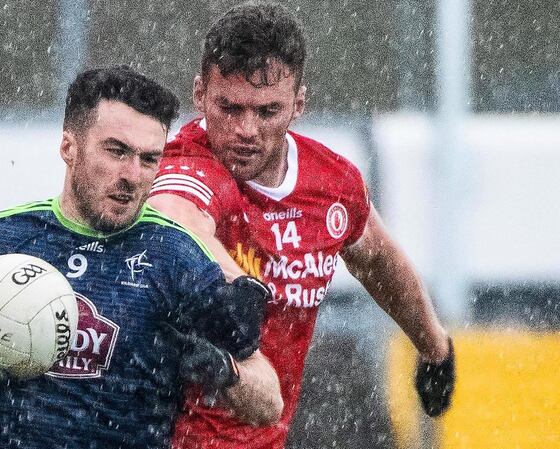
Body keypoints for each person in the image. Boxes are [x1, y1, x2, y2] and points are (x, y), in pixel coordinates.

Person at [0, 66, 280, 449]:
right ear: (69, 147)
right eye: (116, 151)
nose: (132, 175)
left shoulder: (178, 259)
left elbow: (268, 402)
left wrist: (224, 370)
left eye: (149, 159)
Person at [148, 3, 456, 448]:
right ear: (200, 95)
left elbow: (377, 259)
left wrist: (435, 347)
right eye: (229, 108)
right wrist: (237, 288)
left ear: (298, 105)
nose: (245, 129)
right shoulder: (189, 164)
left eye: (267, 111)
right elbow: (177, 220)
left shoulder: (331, 183)